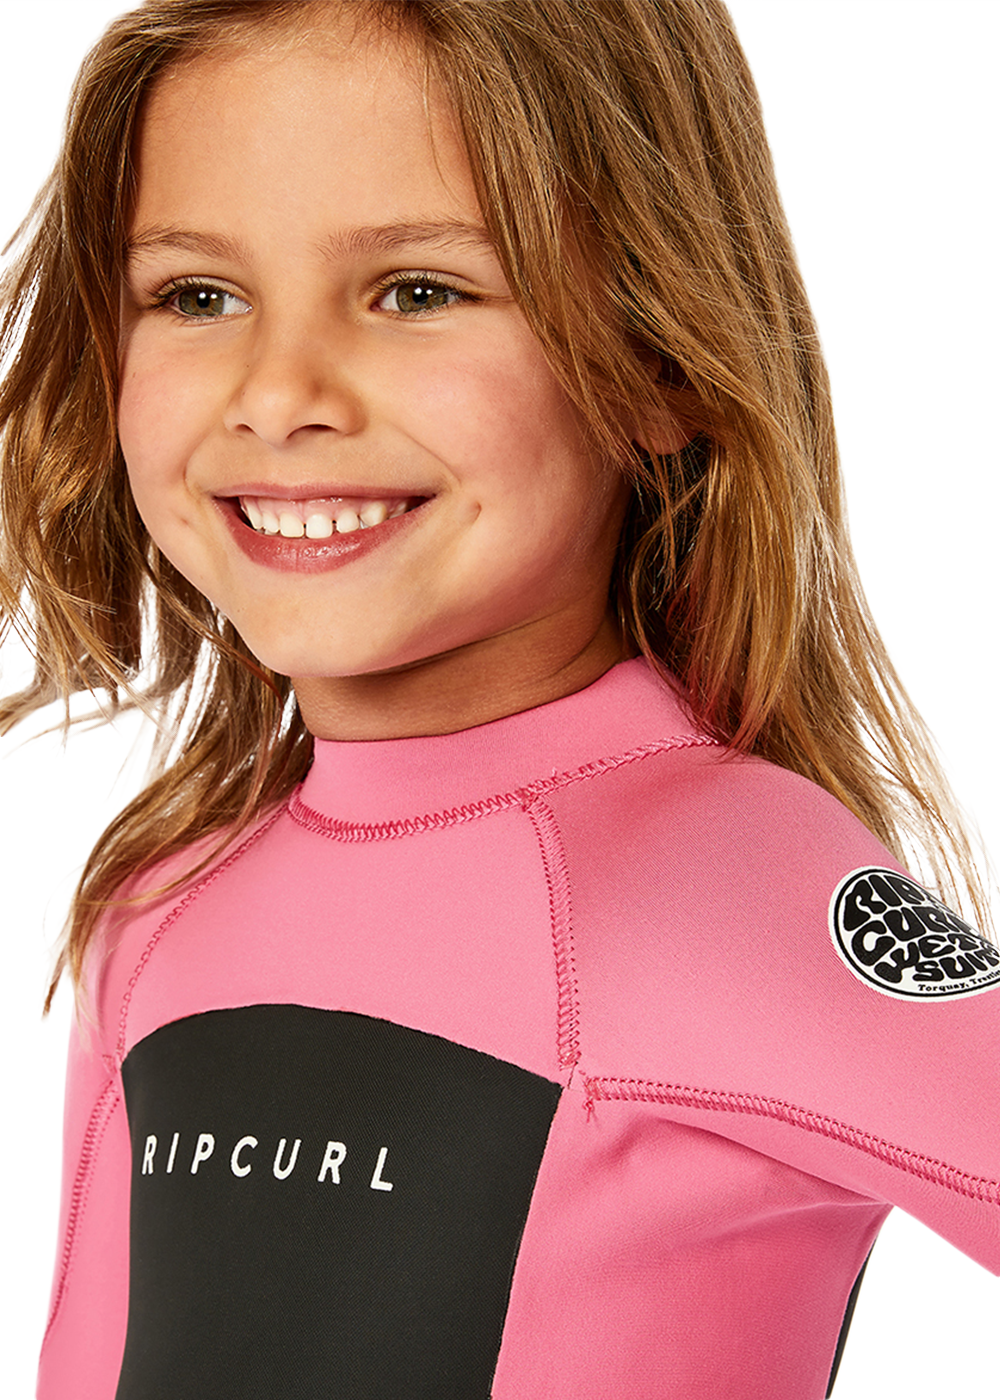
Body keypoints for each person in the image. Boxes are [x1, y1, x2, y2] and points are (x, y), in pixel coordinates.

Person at [0, 1, 996, 1396]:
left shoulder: (729, 890)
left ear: (658, 359)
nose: (278, 396)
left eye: (417, 291)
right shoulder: (162, 902)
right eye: (198, 296)